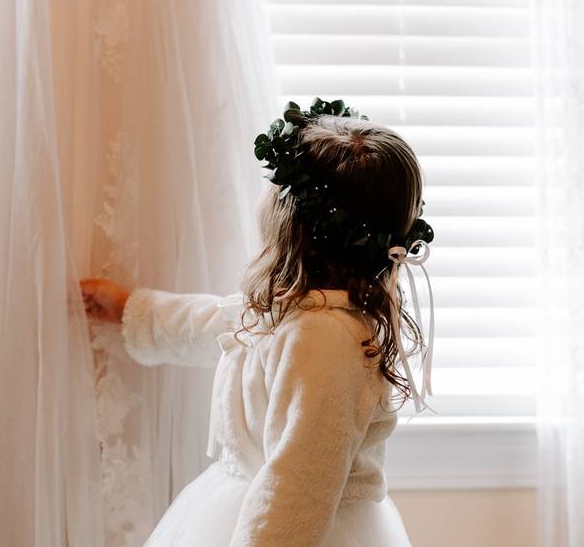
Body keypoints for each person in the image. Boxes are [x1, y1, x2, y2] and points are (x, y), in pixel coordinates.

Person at [81, 99, 435, 546]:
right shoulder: (290, 310)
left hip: (290, 528)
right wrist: (131, 309)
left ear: (290, 220)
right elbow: (208, 323)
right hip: (243, 504)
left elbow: (298, 484)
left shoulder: (325, 338)